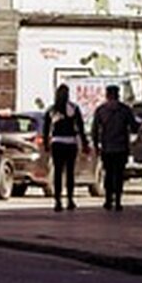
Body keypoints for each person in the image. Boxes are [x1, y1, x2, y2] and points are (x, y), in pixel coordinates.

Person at [91, 84, 139, 212]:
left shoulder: (101, 110)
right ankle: (117, 200)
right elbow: (134, 127)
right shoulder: (125, 110)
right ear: (118, 95)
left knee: (108, 173)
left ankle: (108, 199)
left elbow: (95, 130)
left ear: (107, 95)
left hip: (107, 147)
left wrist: (96, 145)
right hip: (121, 147)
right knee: (119, 174)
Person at [42, 82, 89, 212]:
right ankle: (70, 199)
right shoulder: (73, 108)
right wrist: (84, 143)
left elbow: (46, 129)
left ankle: (57, 200)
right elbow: (80, 127)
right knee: (70, 173)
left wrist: (46, 144)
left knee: (58, 172)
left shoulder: (52, 110)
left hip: (57, 143)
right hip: (70, 142)